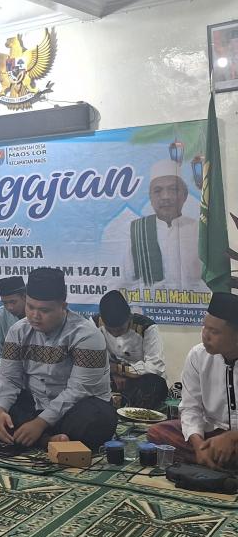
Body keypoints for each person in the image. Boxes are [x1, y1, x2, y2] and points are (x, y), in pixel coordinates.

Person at [0, 267, 116, 450]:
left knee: (97, 419)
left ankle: (33, 436)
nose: (35, 316)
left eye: (44, 310)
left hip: (74, 408)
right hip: (35, 404)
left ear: (63, 306)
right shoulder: (18, 331)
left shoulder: (87, 336)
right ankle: (46, 441)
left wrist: (41, 422)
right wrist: (0, 410)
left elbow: (79, 390)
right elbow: (9, 378)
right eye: (30, 307)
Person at [147, 292, 238, 468]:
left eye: (214, 331)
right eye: (204, 327)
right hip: (211, 434)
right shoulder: (198, 355)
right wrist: (199, 446)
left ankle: (217, 460)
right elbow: (190, 407)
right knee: (157, 432)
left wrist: (232, 437)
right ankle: (212, 458)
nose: (205, 335)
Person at [122, 160, 203, 289]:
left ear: (185, 195)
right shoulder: (137, 231)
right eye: (158, 191)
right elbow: (126, 280)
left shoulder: (199, 230)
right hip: (148, 301)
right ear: (150, 198)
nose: (165, 196)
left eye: (173, 189)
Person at [93, 290, 168, 409]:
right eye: (110, 330)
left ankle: (125, 406)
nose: (115, 334)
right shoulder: (94, 324)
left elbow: (155, 367)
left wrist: (119, 369)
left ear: (130, 317)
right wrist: (113, 373)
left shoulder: (147, 327)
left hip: (139, 380)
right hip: (110, 378)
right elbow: (92, 361)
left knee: (155, 384)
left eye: (120, 330)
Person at [0, 276, 26, 370]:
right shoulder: (1, 314)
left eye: (13, 302)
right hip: (7, 369)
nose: (9, 307)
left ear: (24, 297)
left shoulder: (36, 315)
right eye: (5, 303)